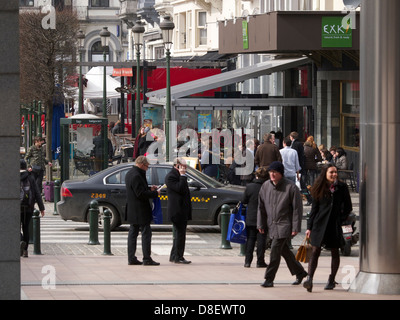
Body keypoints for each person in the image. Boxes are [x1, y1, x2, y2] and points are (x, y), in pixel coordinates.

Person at [303, 164, 352, 292]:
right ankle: (309, 279)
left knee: (335, 252)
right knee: (315, 251)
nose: (334, 174)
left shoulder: (342, 187)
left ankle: (331, 279)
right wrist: (309, 227)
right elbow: (314, 210)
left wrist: (340, 218)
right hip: (319, 224)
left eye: (335, 172)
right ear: (325, 173)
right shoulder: (319, 187)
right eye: (331, 172)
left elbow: (348, 206)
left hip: (334, 225)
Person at [257, 161, 307, 288]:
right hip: (271, 225)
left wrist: (296, 227)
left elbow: (297, 209)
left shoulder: (291, 187)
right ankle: (300, 272)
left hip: (285, 225)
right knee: (285, 251)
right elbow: (261, 208)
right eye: (271, 172)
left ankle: (269, 278)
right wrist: (260, 224)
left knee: (275, 251)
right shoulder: (265, 186)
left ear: (281, 173)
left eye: (275, 172)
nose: (272, 174)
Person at [125, 156, 160, 266]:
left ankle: (131, 257)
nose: (147, 168)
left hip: (132, 208)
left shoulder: (130, 173)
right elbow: (140, 193)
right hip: (140, 209)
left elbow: (138, 189)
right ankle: (147, 258)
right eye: (147, 166)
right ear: (141, 164)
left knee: (133, 233)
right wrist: (155, 193)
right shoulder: (137, 175)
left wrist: (149, 188)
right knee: (146, 233)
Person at [165, 158, 192, 264]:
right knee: (180, 235)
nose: (185, 168)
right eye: (183, 166)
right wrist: (182, 176)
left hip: (182, 209)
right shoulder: (172, 176)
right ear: (177, 166)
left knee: (179, 234)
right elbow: (180, 188)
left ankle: (174, 255)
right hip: (177, 210)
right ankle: (178, 256)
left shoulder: (178, 176)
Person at [242, 167, 268, 268]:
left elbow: (244, 200)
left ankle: (247, 261)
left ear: (256, 176)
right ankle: (260, 261)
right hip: (263, 216)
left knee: (250, 239)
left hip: (251, 216)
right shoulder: (267, 187)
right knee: (261, 239)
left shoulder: (250, 187)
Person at [20, 159, 45, 257]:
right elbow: (37, 193)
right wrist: (41, 208)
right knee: (26, 228)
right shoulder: (30, 177)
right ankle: (25, 250)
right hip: (29, 207)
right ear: (25, 167)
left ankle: (20, 241)